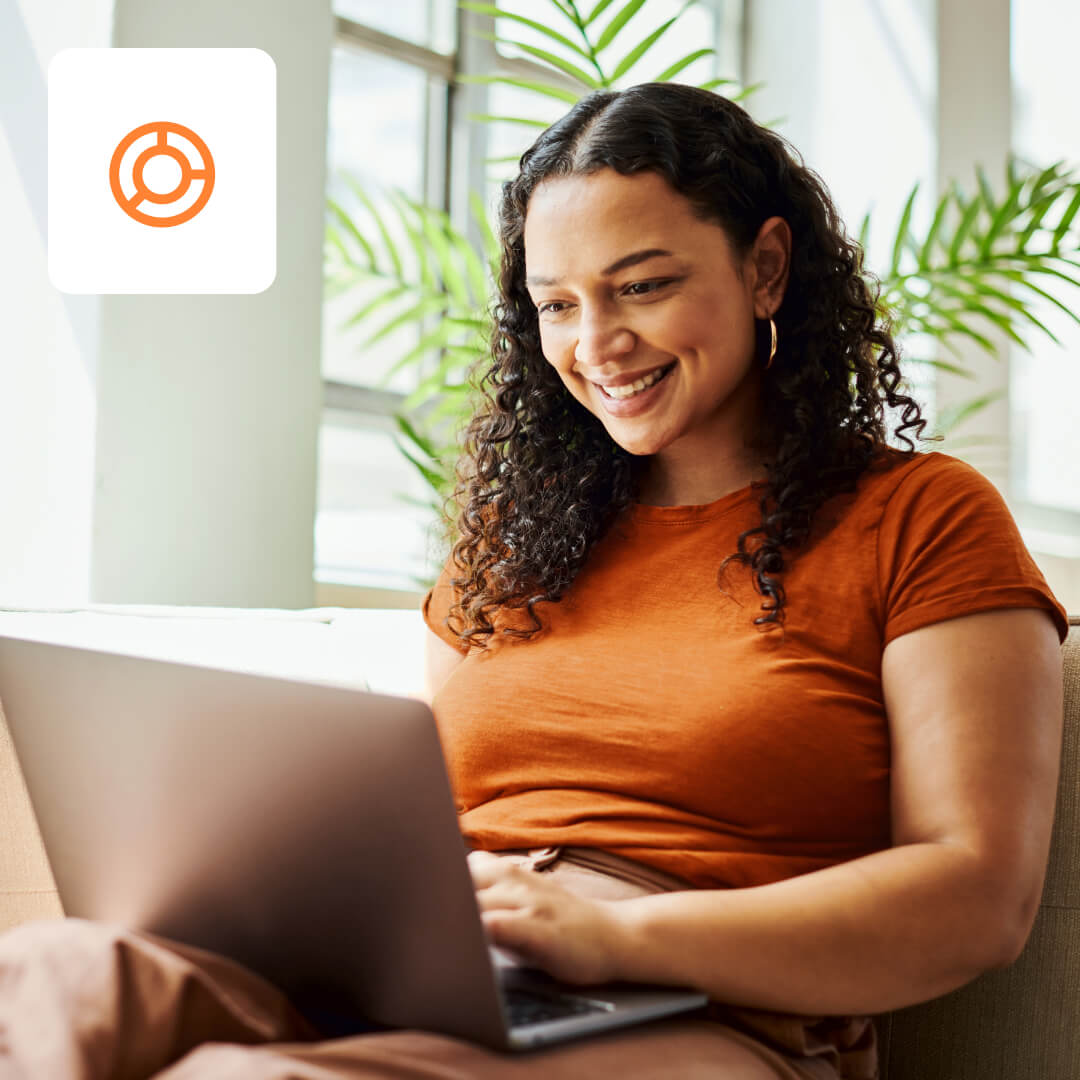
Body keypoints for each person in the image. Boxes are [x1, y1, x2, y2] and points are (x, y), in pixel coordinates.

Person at [0, 82, 1068, 1080]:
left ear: (767, 268)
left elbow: (976, 893)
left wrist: (613, 935)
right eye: (556, 304)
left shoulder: (921, 517)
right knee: (48, 977)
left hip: (702, 1012)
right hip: (452, 965)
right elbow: (409, 810)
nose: (597, 342)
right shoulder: (517, 539)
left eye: (642, 285)